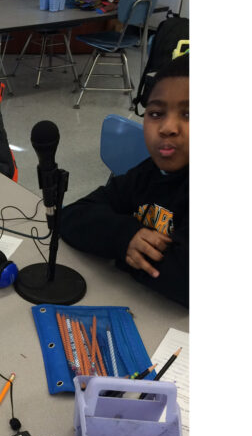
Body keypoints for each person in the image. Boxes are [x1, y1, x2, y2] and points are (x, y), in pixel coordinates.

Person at [60, 53, 189, 306]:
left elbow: (185, 283)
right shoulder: (147, 173)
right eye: (155, 114)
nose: (167, 128)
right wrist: (125, 237)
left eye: (189, 114)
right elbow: (72, 216)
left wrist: (113, 248)